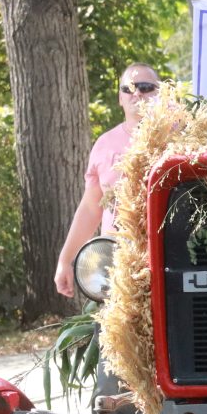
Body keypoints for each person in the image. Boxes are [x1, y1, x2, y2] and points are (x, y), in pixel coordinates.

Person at [54, 63, 159, 298]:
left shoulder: (179, 138)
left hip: (167, 257)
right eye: (128, 88)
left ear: (159, 93)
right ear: (119, 98)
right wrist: (65, 259)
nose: (137, 93)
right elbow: (92, 207)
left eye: (145, 86)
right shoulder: (104, 144)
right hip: (117, 262)